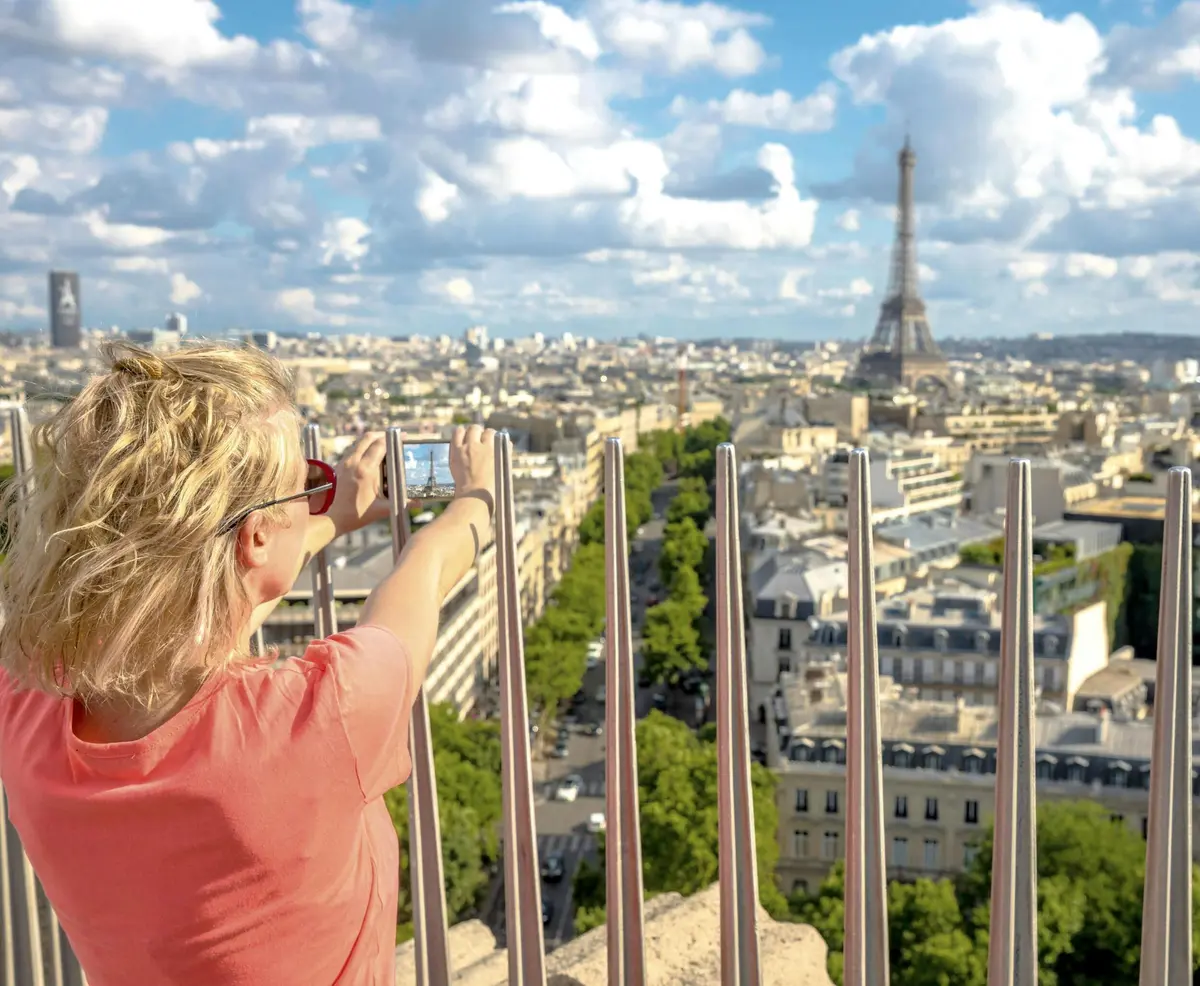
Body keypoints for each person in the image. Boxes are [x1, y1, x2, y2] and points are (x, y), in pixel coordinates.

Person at [0, 342, 496, 985]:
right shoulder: (318, 719)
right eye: (305, 484)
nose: (314, 495)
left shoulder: (24, 699)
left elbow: (176, 613)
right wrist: (476, 495)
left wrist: (327, 519)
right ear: (256, 534)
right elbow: (422, 578)